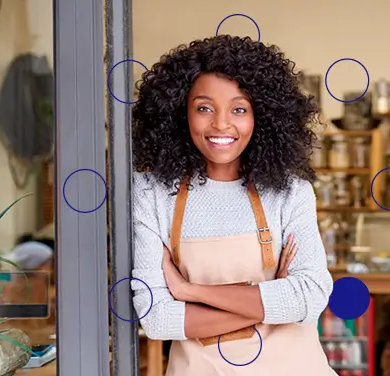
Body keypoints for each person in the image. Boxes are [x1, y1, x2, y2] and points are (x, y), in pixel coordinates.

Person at [130, 35, 336, 375]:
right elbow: (158, 319)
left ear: (263, 117)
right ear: (180, 113)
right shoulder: (151, 194)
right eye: (204, 108)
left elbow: (310, 297)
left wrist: (189, 291)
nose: (222, 124)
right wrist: (271, 301)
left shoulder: (291, 194)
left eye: (239, 109)